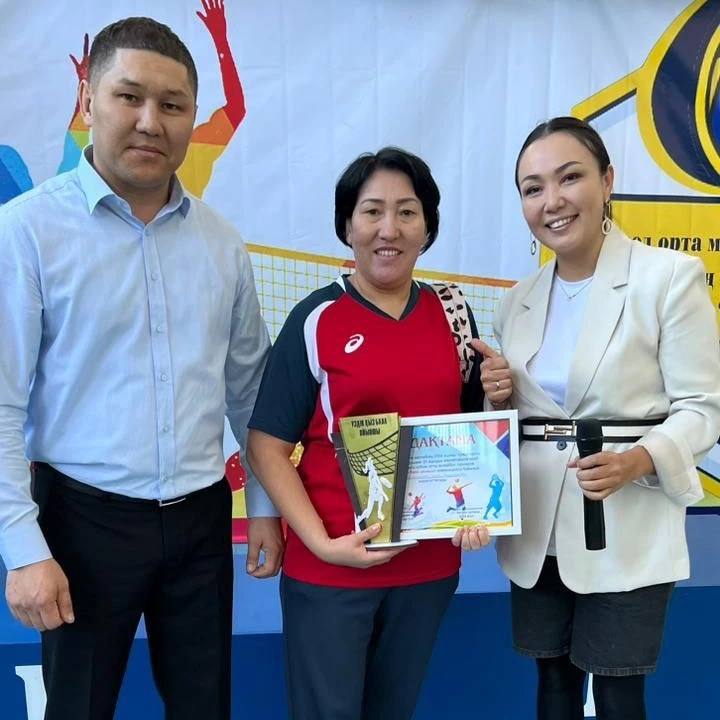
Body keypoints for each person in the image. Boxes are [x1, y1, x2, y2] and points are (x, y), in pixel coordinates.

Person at [0, 17, 283, 720]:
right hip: (80, 523)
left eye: (172, 104)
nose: (151, 122)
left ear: (191, 117)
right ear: (88, 100)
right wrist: (23, 548)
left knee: (204, 707)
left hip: (202, 522)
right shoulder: (26, 232)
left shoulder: (221, 243)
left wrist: (266, 506)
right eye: (129, 96)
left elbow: (250, 393)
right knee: (78, 708)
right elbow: (2, 402)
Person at [474, 116, 720, 720]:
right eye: (533, 188)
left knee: (616, 690)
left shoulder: (667, 278)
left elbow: (703, 407)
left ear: (607, 181)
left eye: (570, 178)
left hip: (628, 521)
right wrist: (497, 398)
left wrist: (637, 460)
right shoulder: (516, 300)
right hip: (538, 527)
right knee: (552, 684)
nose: (552, 201)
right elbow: (520, 419)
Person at [246, 146, 491, 720]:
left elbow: (469, 433)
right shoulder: (316, 318)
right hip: (332, 568)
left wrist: (478, 508)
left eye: (407, 212)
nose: (389, 229)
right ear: (347, 226)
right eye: (372, 211)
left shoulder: (453, 313)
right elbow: (266, 446)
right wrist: (321, 544)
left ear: (427, 226)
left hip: (428, 570)